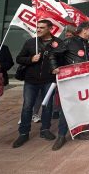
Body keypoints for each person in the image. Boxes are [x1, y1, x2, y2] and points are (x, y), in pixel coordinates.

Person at [50, 21, 89, 151]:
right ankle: (61, 136)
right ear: (84, 30)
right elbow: (53, 54)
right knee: (66, 108)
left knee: (82, 107)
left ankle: (79, 132)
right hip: (70, 81)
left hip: (86, 82)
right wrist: (54, 67)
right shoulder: (69, 42)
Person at [13, 20, 61, 148]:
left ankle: (45, 130)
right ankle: (23, 133)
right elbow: (19, 58)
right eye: (37, 27)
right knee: (27, 106)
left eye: (42, 27)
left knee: (48, 106)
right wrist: (30, 59)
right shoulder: (30, 42)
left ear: (50, 28)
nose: (38, 29)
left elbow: (63, 60)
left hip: (49, 80)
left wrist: (58, 68)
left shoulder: (58, 43)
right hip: (31, 80)